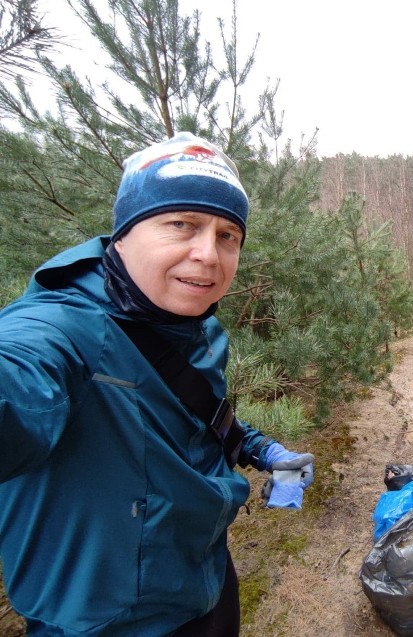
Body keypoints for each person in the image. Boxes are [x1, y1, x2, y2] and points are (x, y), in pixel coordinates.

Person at [0, 132, 314, 637]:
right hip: (104, 623)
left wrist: (261, 448)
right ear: (124, 233)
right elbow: (17, 386)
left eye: (227, 235)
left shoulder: (198, 327)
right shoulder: (58, 330)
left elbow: (193, 414)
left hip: (207, 584)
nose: (208, 254)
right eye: (181, 224)